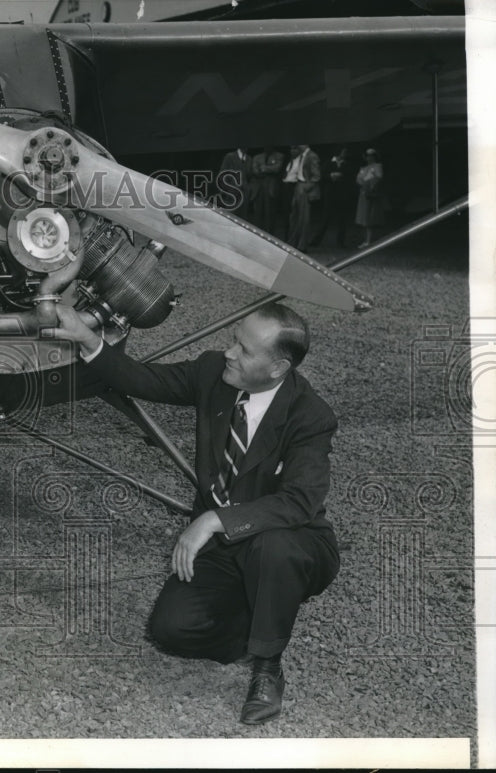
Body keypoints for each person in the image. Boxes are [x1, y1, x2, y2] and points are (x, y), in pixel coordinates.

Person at [50, 303, 340, 725]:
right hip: (225, 547)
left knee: (272, 547)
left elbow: (299, 502)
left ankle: (267, 665)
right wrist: (87, 338)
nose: (229, 353)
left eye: (243, 349)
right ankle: (262, 612)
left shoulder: (310, 416)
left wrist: (213, 520)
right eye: (233, 340)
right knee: (170, 630)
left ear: (278, 367)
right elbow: (142, 379)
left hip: (293, 540)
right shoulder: (212, 374)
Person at [312, 147, 354, 248]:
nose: (345, 153)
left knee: (342, 219)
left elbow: (351, 177)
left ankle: (341, 242)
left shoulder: (347, 164)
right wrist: (330, 176)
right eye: (343, 151)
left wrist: (342, 176)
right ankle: (316, 240)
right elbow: (321, 176)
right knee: (325, 217)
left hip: (342, 194)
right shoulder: (328, 163)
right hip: (330, 193)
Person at [283, 144, 321, 251]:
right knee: (295, 216)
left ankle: (302, 246)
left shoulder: (311, 156)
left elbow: (316, 176)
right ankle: (293, 242)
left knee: (304, 218)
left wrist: (306, 187)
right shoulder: (301, 156)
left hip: (304, 186)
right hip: (298, 185)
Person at [248, 147, 286, 234]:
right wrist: (269, 169)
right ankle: (257, 234)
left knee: (270, 214)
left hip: (270, 188)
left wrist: (264, 168)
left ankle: (270, 235)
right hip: (258, 188)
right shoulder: (257, 157)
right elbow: (255, 170)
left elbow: (277, 169)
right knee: (257, 213)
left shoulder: (279, 156)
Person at [355, 148, 385, 248]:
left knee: (369, 218)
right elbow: (358, 180)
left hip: (371, 194)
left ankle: (369, 240)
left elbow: (378, 178)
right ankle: (365, 240)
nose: (369, 158)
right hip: (363, 194)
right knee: (363, 217)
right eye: (368, 155)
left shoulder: (377, 166)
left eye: (371, 155)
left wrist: (369, 182)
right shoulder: (363, 168)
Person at [216, 147, 251, 218]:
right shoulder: (230, 156)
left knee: (243, 217)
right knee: (231, 216)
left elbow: (249, 176)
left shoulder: (249, 159)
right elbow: (222, 173)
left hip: (244, 193)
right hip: (231, 192)